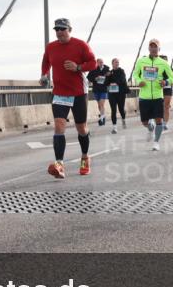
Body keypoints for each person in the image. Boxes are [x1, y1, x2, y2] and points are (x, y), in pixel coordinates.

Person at [41, 18, 97, 177]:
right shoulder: (51, 47)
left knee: (81, 128)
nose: (59, 32)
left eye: (62, 29)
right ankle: (59, 164)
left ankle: (85, 157)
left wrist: (78, 67)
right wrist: (44, 74)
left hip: (78, 92)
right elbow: (46, 62)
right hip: (59, 93)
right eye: (56, 29)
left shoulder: (81, 45)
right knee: (59, 125)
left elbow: (92, 63)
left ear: (69, 29)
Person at [133, 38, 173, 151]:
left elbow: (172, 77)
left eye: (155, 47)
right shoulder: (141, 61)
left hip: (157, 96)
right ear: (149, 48)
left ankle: (156, 142)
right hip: (144, 96)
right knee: (144, 122)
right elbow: (135, 74)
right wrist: (138, 81)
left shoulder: (163, 63)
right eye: (151, 46)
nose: (153, 48)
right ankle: (150, 128)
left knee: (159, 120)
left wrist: (165, 82)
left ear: (159, 49)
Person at [106, 57, 129, 134]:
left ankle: (123, 119)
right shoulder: (109, 72)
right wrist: (107, 76)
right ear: (112, 64)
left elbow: (122, 79)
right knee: (113, 110)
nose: (117, 64)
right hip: (112, 93)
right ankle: (114, 127)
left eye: (118, 62)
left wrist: (116, 83)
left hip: (120, 93)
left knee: (121, 109)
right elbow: (106, 83)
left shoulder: (121, 71)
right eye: (115, 62)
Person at [87, 58, 111, 127]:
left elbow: (110, 78)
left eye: (102, 62)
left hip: (103, 89)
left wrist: (108, 75)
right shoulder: (93, 69)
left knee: (101, 104)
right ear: (97, 63)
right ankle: (103, 116)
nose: (101, 63)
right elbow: (89, 78)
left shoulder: (106, 69)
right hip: (96, 89)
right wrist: (95, 79)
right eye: (100, 62)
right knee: (99, 105)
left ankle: (102, 119)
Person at [160, 54, 173, 130]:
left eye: (165, 60)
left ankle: (164, 124)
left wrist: (166, 82)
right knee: (159, 106)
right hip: (158, 88)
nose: (164, 61)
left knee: (166, 106)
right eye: (162, 59)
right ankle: (159, 121)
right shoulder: (157, 67)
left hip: (167, 88)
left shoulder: (170, 68)